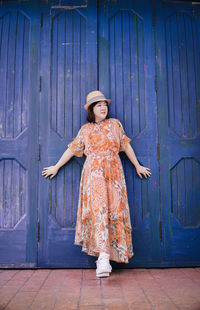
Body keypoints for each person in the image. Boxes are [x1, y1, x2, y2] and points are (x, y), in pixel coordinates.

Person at [41, 90, 151, 278]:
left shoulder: (115, 125)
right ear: (92, 109)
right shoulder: (86, 130)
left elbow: (126, 146)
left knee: (115, 212)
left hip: (114, 174)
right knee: (98, 212)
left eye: (105, 104)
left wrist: (137, 166)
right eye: (98, 105)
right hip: (94, 175)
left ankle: (112, 254)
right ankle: (103, 259)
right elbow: (72, 149)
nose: (103, 107)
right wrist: (56, 166)